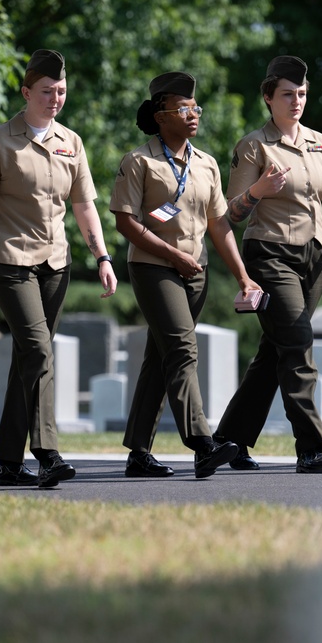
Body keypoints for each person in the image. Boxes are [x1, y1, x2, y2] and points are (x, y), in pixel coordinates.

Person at [0, 49, 118, 488]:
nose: (56, 99)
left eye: (62, 92)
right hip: (9, 260)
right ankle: (48, 453)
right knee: (39, 351)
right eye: (47, 91)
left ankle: (9, 463)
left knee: (28, 359)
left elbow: (84, 207)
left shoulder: (72, 142)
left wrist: (103, 257)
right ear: (26, 92)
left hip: (56, 263)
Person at [212, 55, 322, 474]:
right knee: (297, 342)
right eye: (288, 95)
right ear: (269, 98)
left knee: (277, 349)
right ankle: (311, 447)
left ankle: (229, 440)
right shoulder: (253, 145)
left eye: (302, 94)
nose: (297, 101)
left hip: (314, 257)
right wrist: (257, 190)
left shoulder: (321, 143)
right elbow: (231, 213)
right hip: (270, 254)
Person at [111, 71, 258, 478]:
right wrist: (171, 255)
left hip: (197, 272)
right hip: (154, 267)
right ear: (161, 115)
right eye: (183, 108)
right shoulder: (139, 161)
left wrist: (243, 277)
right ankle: (202, 442)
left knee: (159, 358)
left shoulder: (207, 164)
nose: (193, 114)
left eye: (196, 107)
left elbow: (220, 225)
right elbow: (126, 222)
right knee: (182, 349)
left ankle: (139, 453)